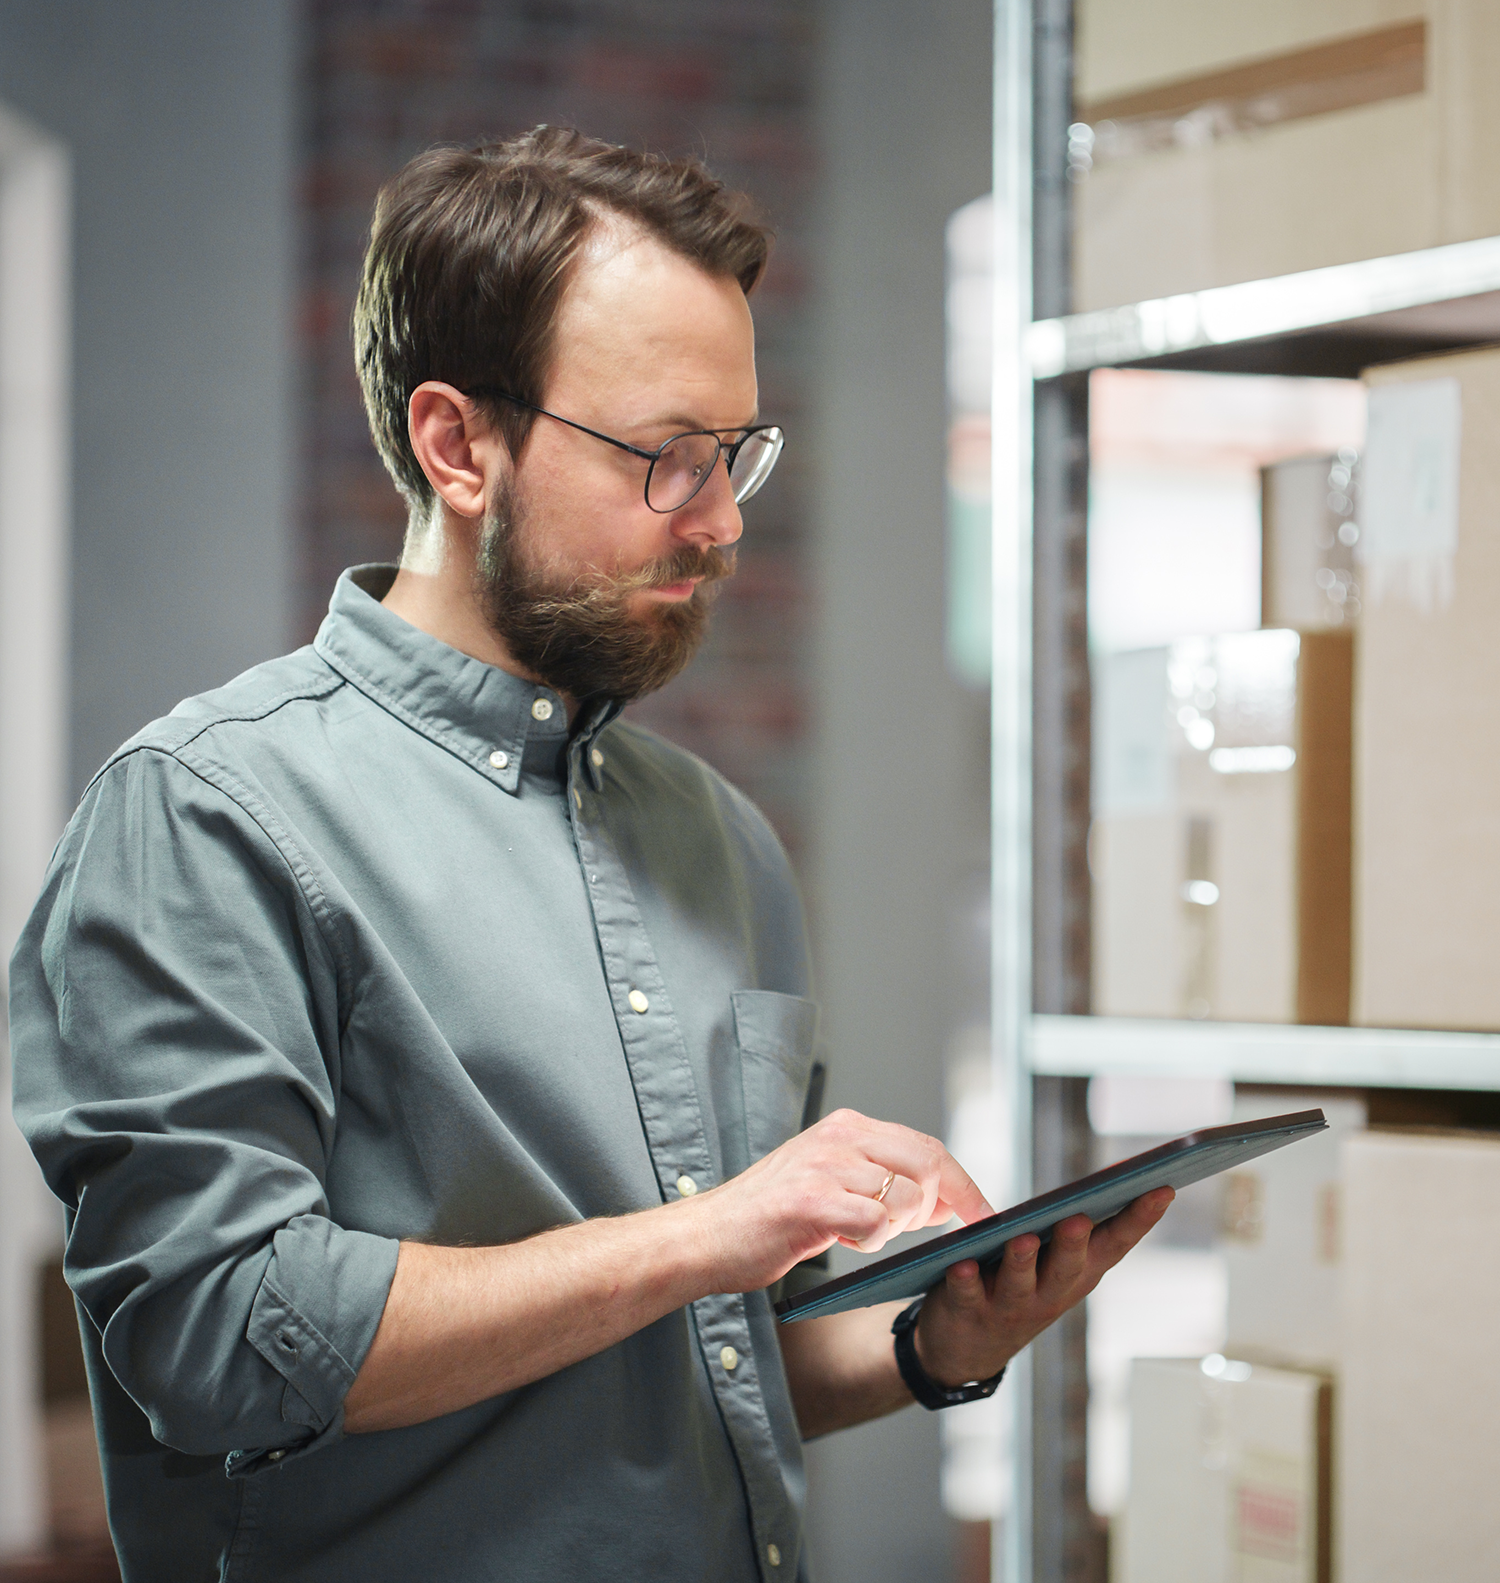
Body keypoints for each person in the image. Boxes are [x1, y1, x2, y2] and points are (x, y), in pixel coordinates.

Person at [9, 127, 1169, 1582]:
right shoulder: (206, 814)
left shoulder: (720, 842)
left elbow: (717, 1369)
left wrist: (935, 1343)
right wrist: (706, 1233)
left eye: (737, 451)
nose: (726, 519)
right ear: (458, 444)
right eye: (669, 457)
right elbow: (222, 1336)